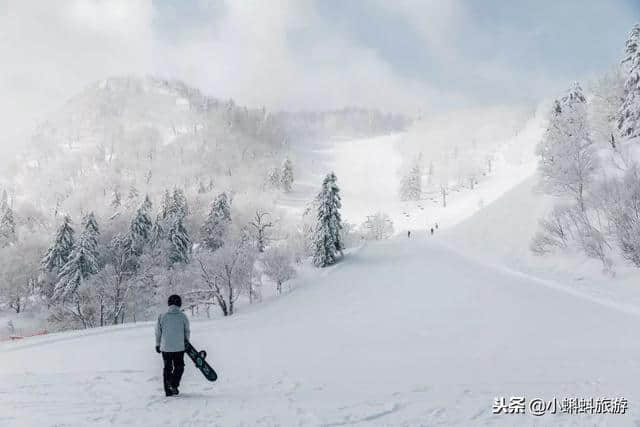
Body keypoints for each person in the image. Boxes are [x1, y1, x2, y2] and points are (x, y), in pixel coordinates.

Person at [155, 294, 190, 396]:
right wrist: (186, 342)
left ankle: (168, 390)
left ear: (169, 303)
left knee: (167, 368)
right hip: (179, 347)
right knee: (179, 366)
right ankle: (174, 384)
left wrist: (158, 344)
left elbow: (158, 332)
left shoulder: (162, 316)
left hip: (166, 348)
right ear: (179, 303)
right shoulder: (183, 316)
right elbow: (187, 331)